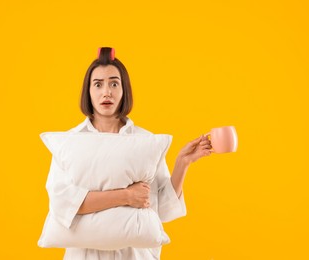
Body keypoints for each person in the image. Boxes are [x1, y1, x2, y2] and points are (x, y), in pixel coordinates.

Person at [48, 47, 212, 259]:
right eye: (98, 84)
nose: (106, 92)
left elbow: (160, 208)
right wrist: (126, 196)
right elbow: (65, 204)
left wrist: (182, 162)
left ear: (124, 90)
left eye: (114, 84)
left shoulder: (145, 142)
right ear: (88, 91)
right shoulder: (70, 143)